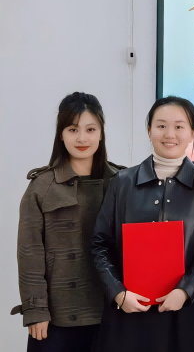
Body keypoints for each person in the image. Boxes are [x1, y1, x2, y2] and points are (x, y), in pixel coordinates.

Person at [92, 96, 194, 352]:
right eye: (161, 125)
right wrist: (118, 292)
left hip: (183, 310)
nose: (169, 134)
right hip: (127, 309)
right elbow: (100, 244)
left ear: (192, 133)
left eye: (179, 126)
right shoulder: (122, 182)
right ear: (149, 130)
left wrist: (185, 291)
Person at [13, 92, 124, 352]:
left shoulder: (122, 182)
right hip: (57, 316)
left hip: (112, 310)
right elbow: (30, 254)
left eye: (90, 129)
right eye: (73, 129)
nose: (82, 138)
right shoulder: (41, 187)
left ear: (101, 133)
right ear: (61, 134)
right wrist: (35, 310)